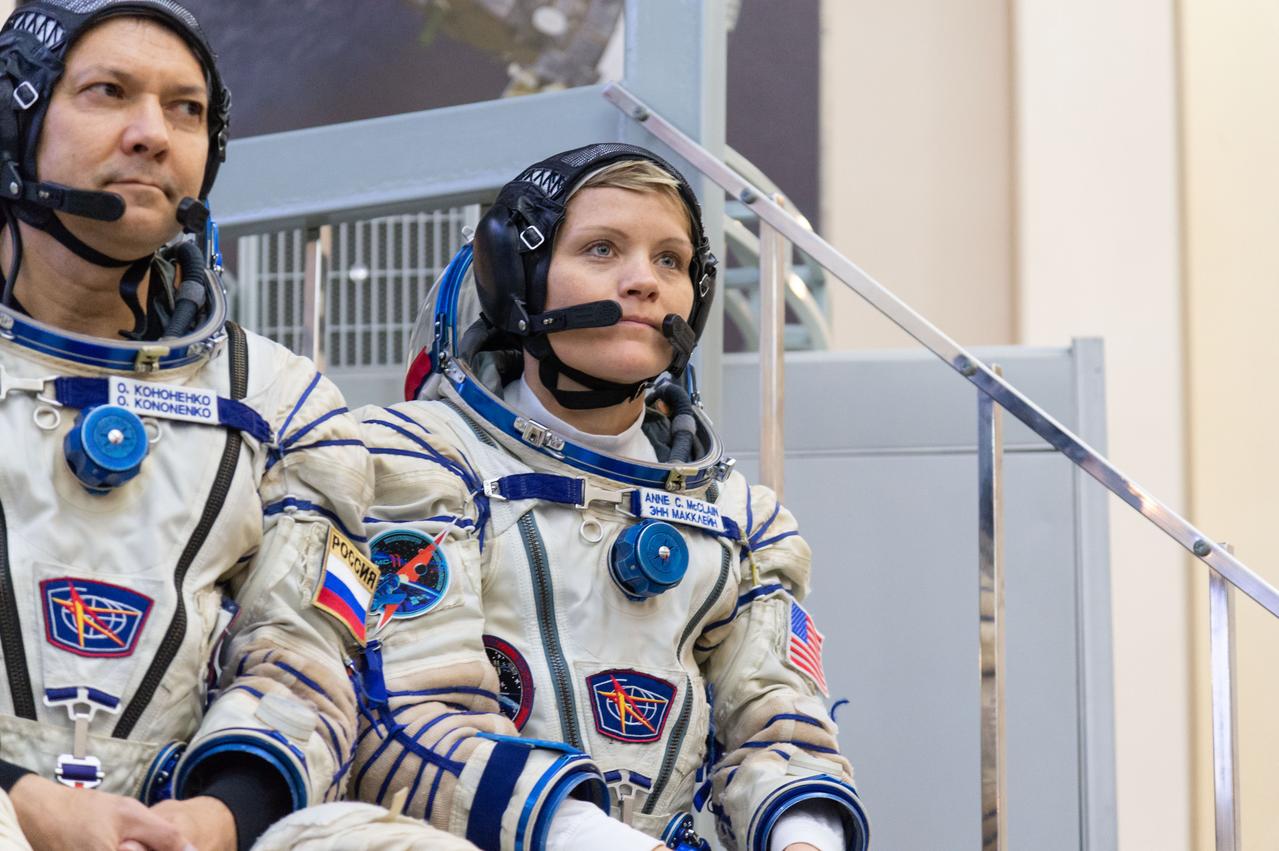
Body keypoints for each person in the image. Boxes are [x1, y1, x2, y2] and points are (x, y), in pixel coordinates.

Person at [352, 143, 870, 851]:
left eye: (671, 260)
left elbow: (781, 727)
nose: (644, 282)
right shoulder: (415, 462)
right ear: (517, 277)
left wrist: (803, 839)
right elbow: (405, 718)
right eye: (601, 249)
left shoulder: (738, 520)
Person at [0, 2, 379, 849]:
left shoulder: (284, 403)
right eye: (108, 92)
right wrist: (25, 804)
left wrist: (211, 820)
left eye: (186, 109)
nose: (152, 135)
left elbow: (307, 653)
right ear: (12, 118)